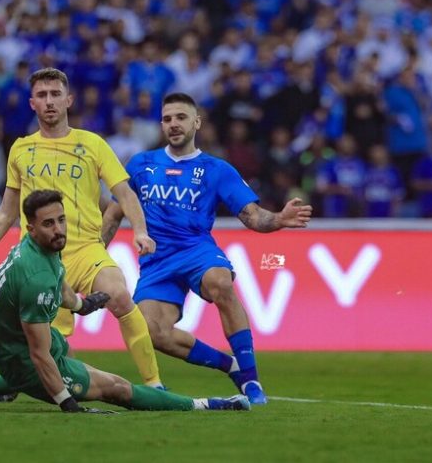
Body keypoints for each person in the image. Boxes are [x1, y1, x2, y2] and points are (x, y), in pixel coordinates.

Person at [0, 190, 249, 413]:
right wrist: (67, 402)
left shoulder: (38, 247)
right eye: (49, 224)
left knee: (60, 351)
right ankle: (206, 404)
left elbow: (60, 280)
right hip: (23, 355)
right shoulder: (35, 278)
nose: (59, 230)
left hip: (14, 346)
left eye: (61, 220)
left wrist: (81, 305)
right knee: (118, 388)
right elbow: (40, 356)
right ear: (31, 228)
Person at [0, 67, 164, 389]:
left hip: (86, 249)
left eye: (55, 94)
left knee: (118, 295)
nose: (49, 101)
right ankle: (10, 386)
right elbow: (6, 214)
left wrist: (141, 231)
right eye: (42, 95)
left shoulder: (92, 144)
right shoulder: (21, 149)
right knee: (56, 353)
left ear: (68, 100)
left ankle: (155, 384)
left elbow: (124, 193)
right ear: (32, 103)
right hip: (40, 261)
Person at [102, 92, 313, 405]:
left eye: (181, 117)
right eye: (168, 118)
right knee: (152, 331)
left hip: (196, 250)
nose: (174, 124)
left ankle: (252, 379)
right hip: (156, 262)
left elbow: (252, 216)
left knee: (220, 281)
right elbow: (114, 215)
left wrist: (279, 218)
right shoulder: (141, 165)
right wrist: (94, 256)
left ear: (197, 122)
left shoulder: (217, 169)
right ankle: (232, 366)